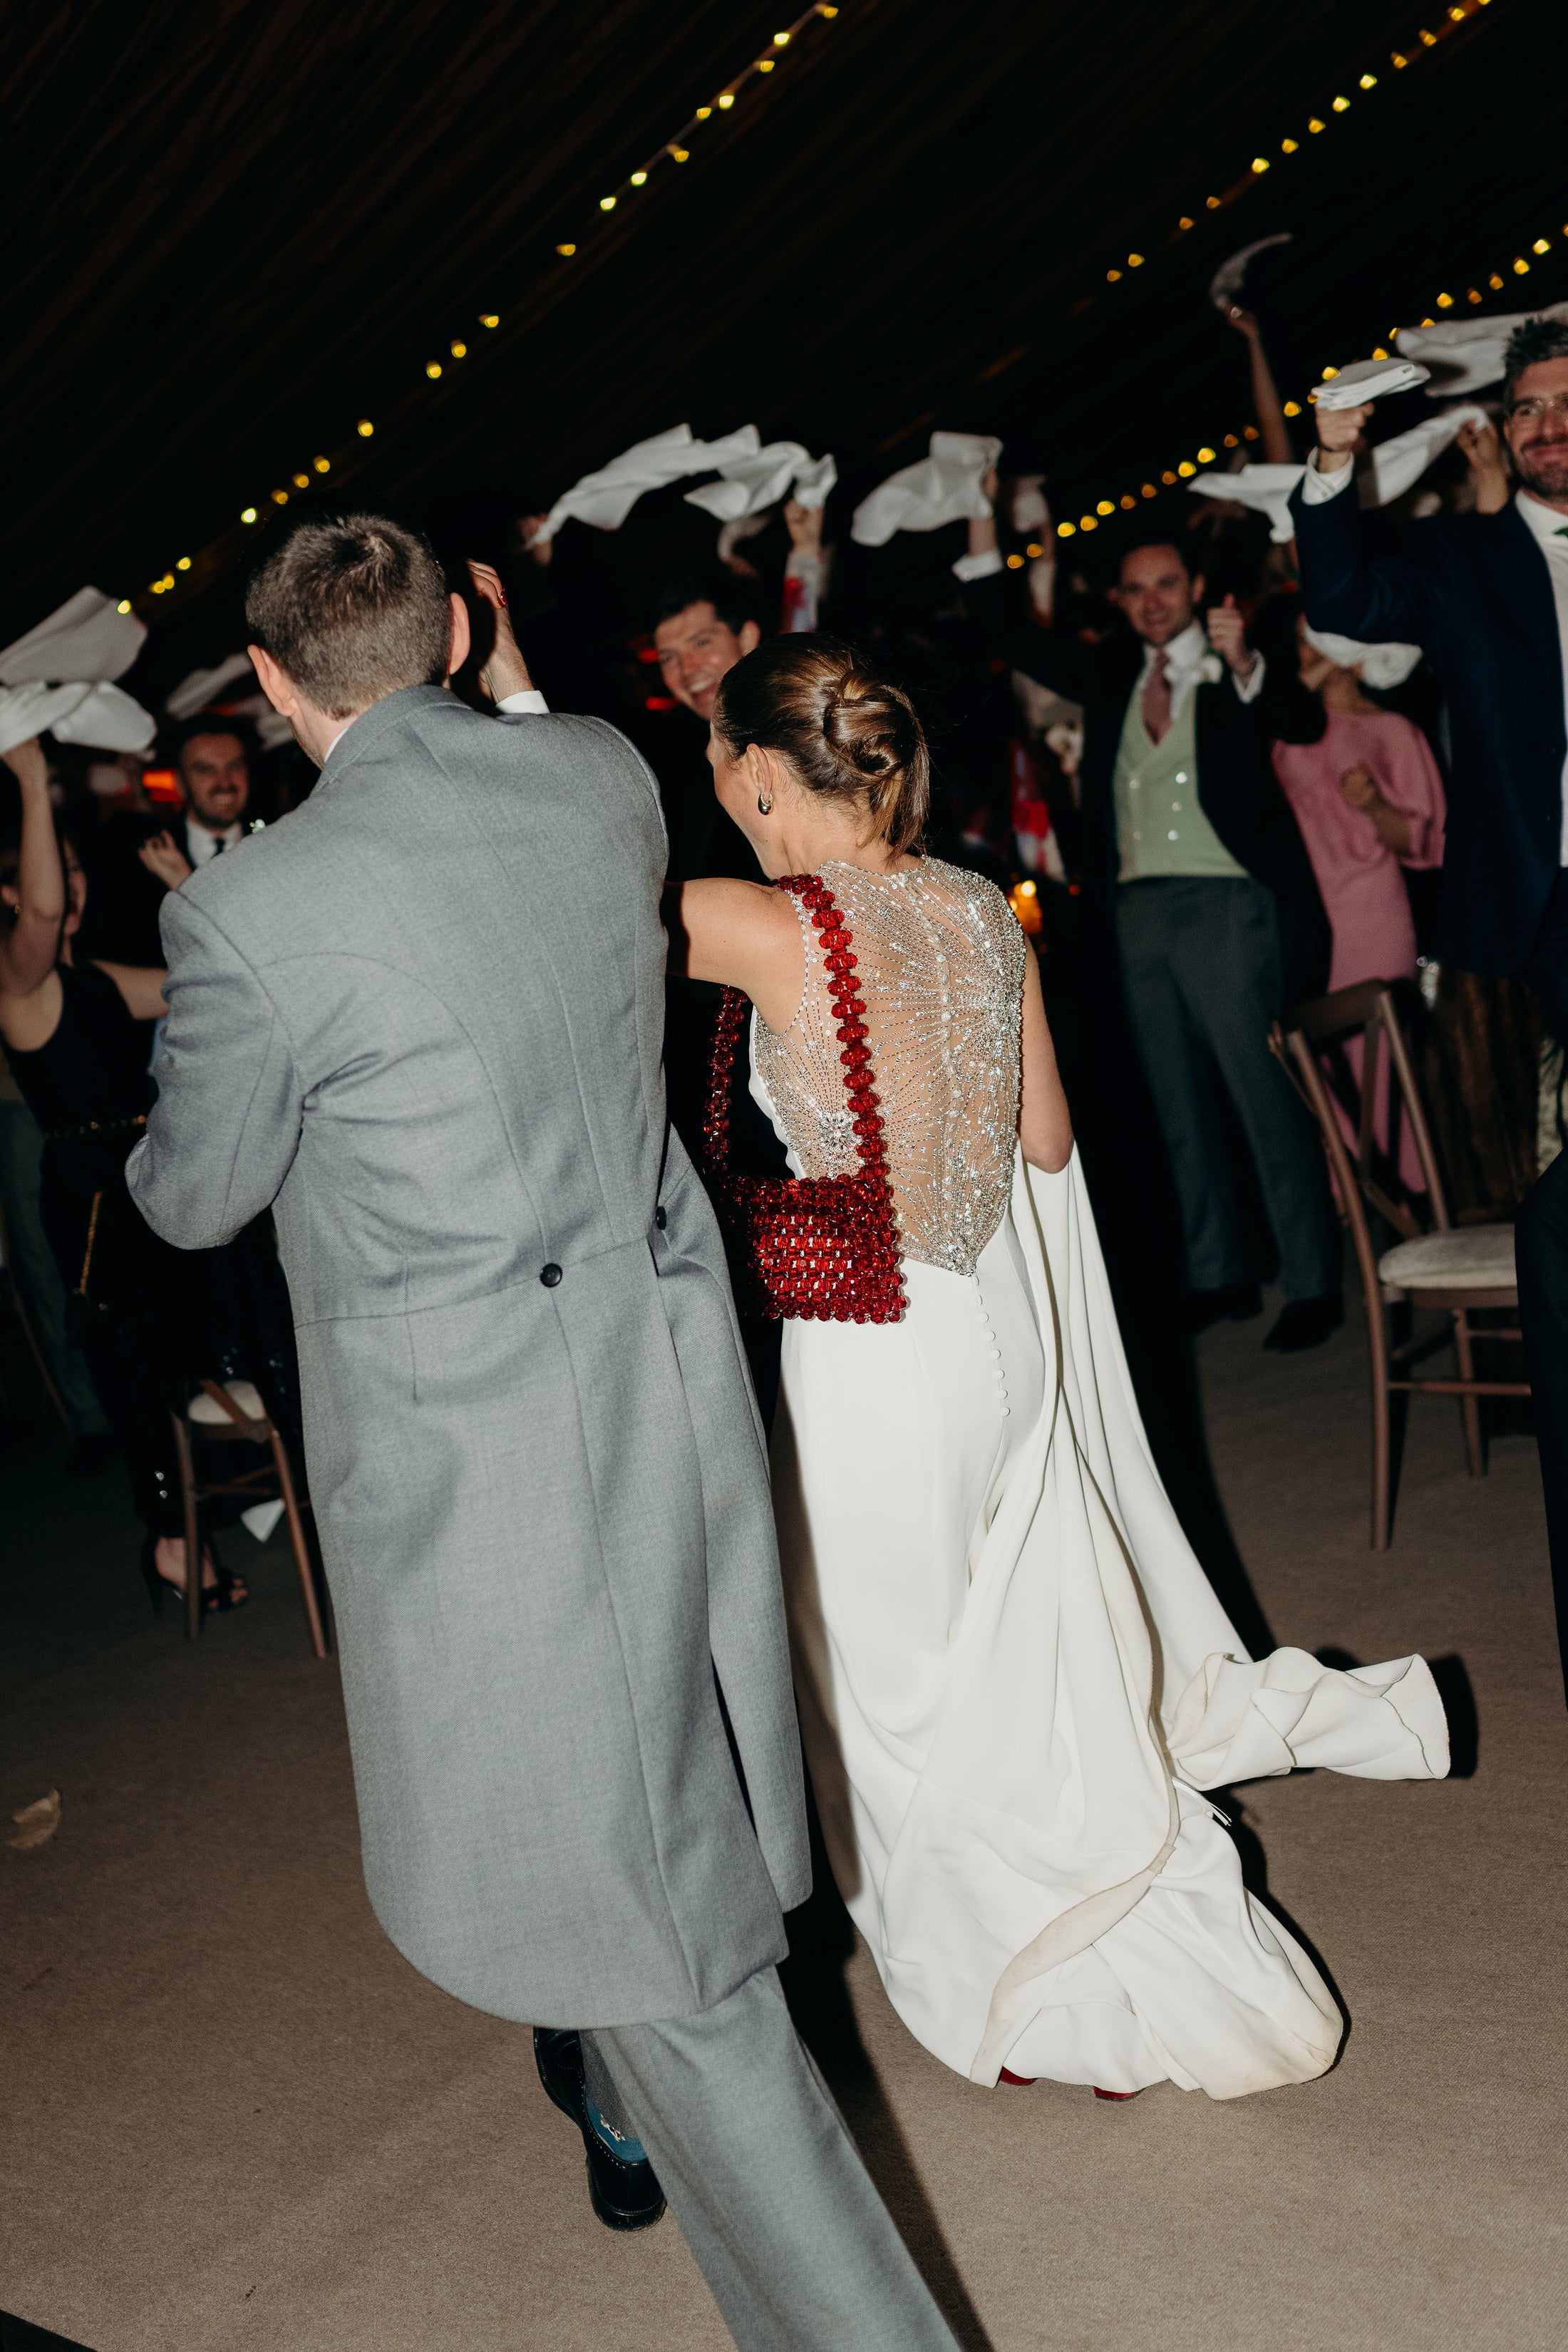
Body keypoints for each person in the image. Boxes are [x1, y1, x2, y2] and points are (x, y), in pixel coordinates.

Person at [125, 512, 962, 2352]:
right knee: (669, 1853)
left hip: (491, 1453)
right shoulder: (598, 778)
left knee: (654, 1939)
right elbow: (523, 764)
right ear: (454, 633)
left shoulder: (247, 908)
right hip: (671, 1386)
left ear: (262, 688)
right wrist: (496, 668)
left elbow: (192, 1205)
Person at [676, 630, 1450, 2101]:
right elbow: (1042, 1141)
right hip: (999, 1333)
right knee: (1021, 1667)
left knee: (892, 1697)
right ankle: (1100, 1942)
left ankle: (1029, 1993)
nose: (711, 783)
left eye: (718, 759)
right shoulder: (981, 906)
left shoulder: (747, 920)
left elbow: (540, 906)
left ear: (767, 776)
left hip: (868, 1358)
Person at [1292, 314, 1568, 1701]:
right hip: (1539, 915)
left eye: (1562, 403)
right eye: (1522, 410)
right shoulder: (1464, 561)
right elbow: (1339, 591)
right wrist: (1335, 449)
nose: (1541, 425)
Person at [965, 515, 1340, 1348]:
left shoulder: (1236, 659)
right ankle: (1219, 1272)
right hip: (1136, 910)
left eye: (1164, 585)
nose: (1150, 603)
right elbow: (1006, 633)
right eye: (1134, 590)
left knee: (1262, 1097)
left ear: (1196, 589)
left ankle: (1312, 1281)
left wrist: (1244, 664)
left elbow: (1302, 723)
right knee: (1176, 1104)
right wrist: (979, 514)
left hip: (1228, 904)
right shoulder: (1110, 671)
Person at [0, 737, 244, 1610]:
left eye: (76, 872)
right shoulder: (17, 983)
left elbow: (201, 976)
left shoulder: (94, 977)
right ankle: (176, 1547)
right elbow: (36, 914)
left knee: (181, 1358)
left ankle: (204, 1524)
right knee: (135, 1370)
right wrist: (33, 782)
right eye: (56, 873)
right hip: (93, 1203)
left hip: (148, 1178)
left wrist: (189, 889)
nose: (71, 887)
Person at [79, 715, 259, 966]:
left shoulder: (277, 847)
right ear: (180, 783)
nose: (226, 783)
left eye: (235, 767)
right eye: (206, 770)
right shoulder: (140, 856)